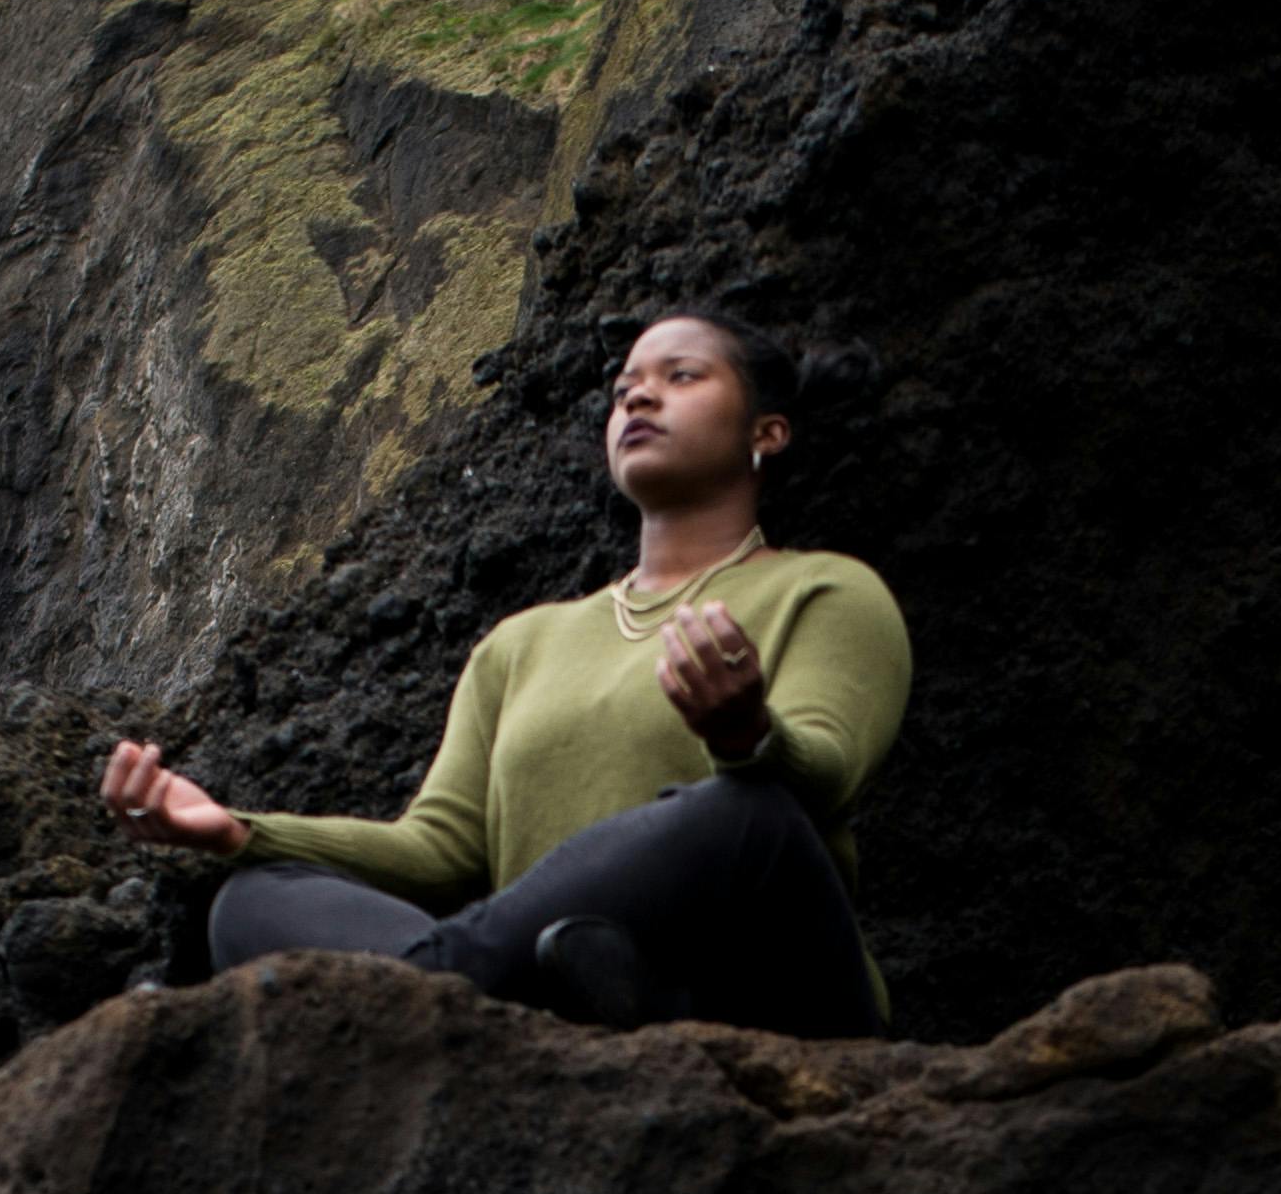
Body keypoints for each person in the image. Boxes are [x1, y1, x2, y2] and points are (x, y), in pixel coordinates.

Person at [103, 310, 907, 1030]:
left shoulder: (825, 589)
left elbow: (827, 774)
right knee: (253, 901)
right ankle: (538, 999)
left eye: (681, 376)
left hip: (771, 991)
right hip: (561, 975)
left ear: (767, 432)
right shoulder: (522, 644)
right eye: (624, 387)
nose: (637, 399)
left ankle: (466, 992)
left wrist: (749, 735)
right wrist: (241, 831)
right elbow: (441, 853)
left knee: (742, 815)